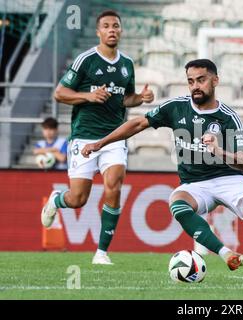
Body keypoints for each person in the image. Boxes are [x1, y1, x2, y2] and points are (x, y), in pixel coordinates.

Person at [81, 59, 243, 287]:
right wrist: (101, 143)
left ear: (215, 81)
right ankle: (225, 254)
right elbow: (137, 124)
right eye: (191, 81)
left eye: (201, 80)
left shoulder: (228, 118)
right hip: (194, 184)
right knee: (177, 203)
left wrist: (219, 151)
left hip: (230, 179)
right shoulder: (176, 107)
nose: (195, 86)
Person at [40, 10, 154, 265]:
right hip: (83, 138)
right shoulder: (86, 60)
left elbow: (126, 98)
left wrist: (141, 98)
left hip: (114, 137)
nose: (112, 29)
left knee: (114, 185)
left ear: (121, 30)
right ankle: (57, 200)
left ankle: (101, 252)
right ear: (98, 32)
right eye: (106, 26)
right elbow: (60, 93)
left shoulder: (126, 64)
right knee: (78, 199)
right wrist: (88, 96)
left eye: (116, 26)